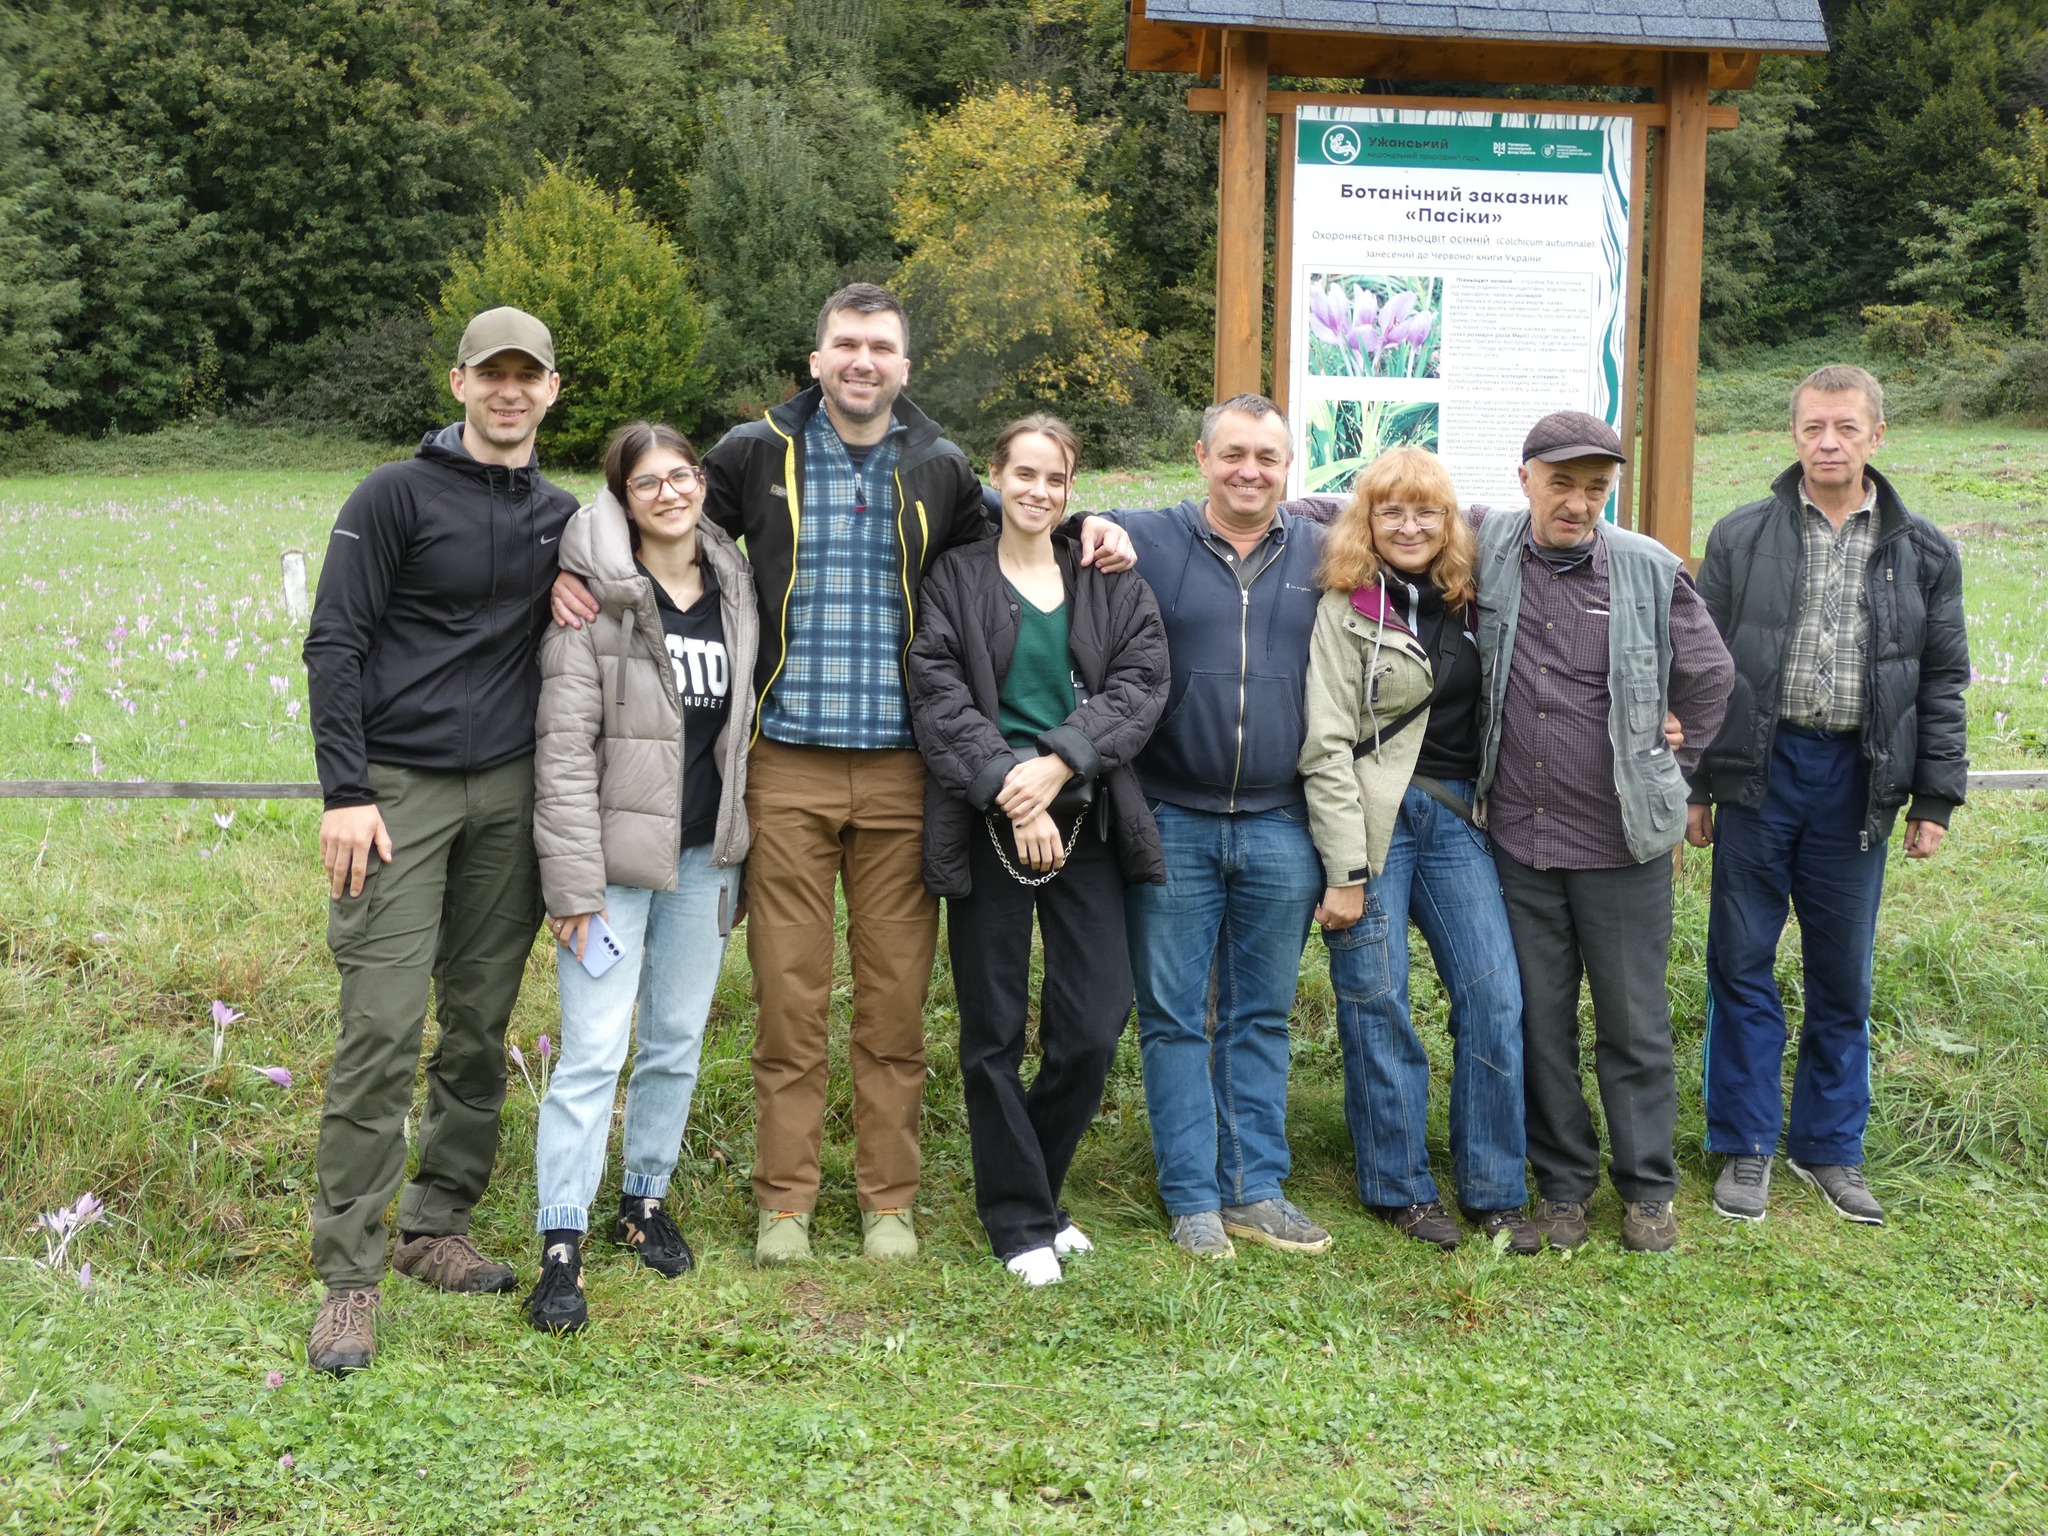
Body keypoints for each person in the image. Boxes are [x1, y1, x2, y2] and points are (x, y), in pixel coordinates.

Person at [548, 285, 1133, 1265]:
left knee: (894, 998)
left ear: (904, 368)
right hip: (783, 766)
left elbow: (1022, 527)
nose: (862, 362)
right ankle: (785, 1203)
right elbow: (648, 503)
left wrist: (1099, 532)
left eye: (881, 348)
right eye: (845, 345)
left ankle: (886, 1200)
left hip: (905, 775)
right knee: (790, 997)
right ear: (816, 358)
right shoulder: (751, 453)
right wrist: (576, 566)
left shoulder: (939, 466)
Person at [300, 307, 577, 1374]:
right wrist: (345, 789)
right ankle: (348, 1278)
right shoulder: (393, 495)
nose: (510, 392)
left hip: (508, 793)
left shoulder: (560, 514)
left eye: (529, 377)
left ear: (551, 391)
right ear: (459, 383)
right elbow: (336, 640)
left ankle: (433, 1225)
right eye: (491, 374)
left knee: (477, 1026)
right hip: (397, 794)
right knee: (378, 1026)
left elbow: (679, 528)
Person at [1690, 366, 1968, 1227]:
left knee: (1841, 976)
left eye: (1846, 427)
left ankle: (1829, 1148)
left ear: (1876, 436)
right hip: (1760, 775)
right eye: (1813, 427)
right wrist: (1699, 783)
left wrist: (1933, 800)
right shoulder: (1741, 537)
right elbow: (1699, 666)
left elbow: (1943, 680)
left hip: (1857, 782)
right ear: (1794, 433)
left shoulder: (1923, 551)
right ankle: (1744, 1145)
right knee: (1740, 963)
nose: (1828, 442)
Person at [906, 415, 1169, 1286]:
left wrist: (1056, 767)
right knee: (993, 1031)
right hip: (987, 824)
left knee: (1093, 1025)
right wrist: (1012, 787)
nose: (1038, 491)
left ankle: (1041, 1192)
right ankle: (1020, 1222)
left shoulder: (1106, 577)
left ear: (1070, 488)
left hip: (1087, 819)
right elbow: (938, 692)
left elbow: (1141, 684)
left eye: (1054, 479)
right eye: (1022, 474)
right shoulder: (955, 577)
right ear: (997, 476)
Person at [1474, 410, 1735, 1253]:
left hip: (1624, 845)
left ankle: (1649, 1189)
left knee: (1632, 1023)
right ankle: (1562, 1188)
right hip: (1520, 841)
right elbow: (1357, 509)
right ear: (1525, 479)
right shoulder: (1487, 544)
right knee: (1540, 1023)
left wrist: (1676, 758)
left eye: (1594, 487)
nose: (1578, 503)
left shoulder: (1649, 569)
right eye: (1562, 483)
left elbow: (1710, 672)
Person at [522, 422, 756, 1332]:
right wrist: (573, 888)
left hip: (704, 858)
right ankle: (561, 1239)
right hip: (611, 872)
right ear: (623, 498)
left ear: (702, 483)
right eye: (647, 482)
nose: (670, 493)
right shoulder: (595, 605)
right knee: (590, 1052)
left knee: (675, 1041)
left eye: (682, 475)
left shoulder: (736, 587)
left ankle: (643, 1200)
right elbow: (564, 754)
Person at [1105, 394, 1337, 1260]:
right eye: (1232, 454)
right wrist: (1093, 526)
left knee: (1260, 1013)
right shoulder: (1149, 537)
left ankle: (1256, 1189)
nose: (1249, 471)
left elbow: (1434, 520)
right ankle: (1193, 1196)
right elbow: (1026, 506)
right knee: (1172, 1016)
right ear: (1201, 457)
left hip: (1282, 821)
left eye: (1267, 458)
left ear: (1289, 468)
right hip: (1174, 816)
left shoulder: (1322, 549)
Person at [1299, 447, 1537, 1254]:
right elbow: (1326, 744)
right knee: (1377, 997)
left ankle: (1495, 1188)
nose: (1409, 526)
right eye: (1390, 511)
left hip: (1453, 820)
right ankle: (1399, 1185)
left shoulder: (1472, 603)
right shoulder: (1346, 607)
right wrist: (1345, 869)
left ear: (1450, 521)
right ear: (1366, 521)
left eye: (1426, 511)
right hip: (1372, 824)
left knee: (1494, 996)